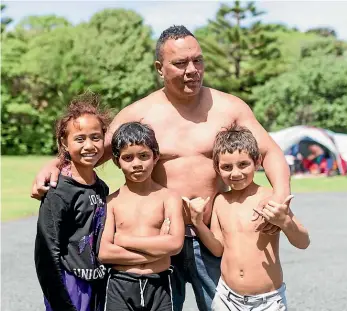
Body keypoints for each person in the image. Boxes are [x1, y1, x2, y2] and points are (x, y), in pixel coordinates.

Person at [31, 25, 291, 311]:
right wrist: (56, 164)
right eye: (180, 63)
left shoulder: (230, 107)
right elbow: (92, 150)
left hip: (212, 236)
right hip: (158, 241)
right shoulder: (140, 113)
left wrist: (280, 200)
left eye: (198, 60)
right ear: (159, 67)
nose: (192, 69)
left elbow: (270, 152)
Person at [189, 124, 310, 311]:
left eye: (243, 164)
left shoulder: (270, 198)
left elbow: (303, 242)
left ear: (258, 161)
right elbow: (217, 249)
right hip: (226, 297)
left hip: (268, 301)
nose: (235, 173)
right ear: (217, 168)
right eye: (227, 167)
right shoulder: (221, 201)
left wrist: (284, 222)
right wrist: (197, 222)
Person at [34, 93, 111, 311]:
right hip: (69, 285)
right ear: (64, 143)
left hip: (97, 281)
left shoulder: (101, 187)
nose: (89, 145)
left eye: (96, 137)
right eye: (80, 139)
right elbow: (46, 254)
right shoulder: (59, 192)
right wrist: (60, 301)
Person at [98, 122, 184, 310]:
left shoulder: (169, 198)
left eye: (143, 156)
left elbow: (175, 245)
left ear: (155, 157)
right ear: (117, 161)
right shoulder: (111, 202)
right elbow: (105, 253)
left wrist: (122, 239)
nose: (136, 164)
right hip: (120, 284)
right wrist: (157, 252)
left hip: (159, 285)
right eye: (128, 158)